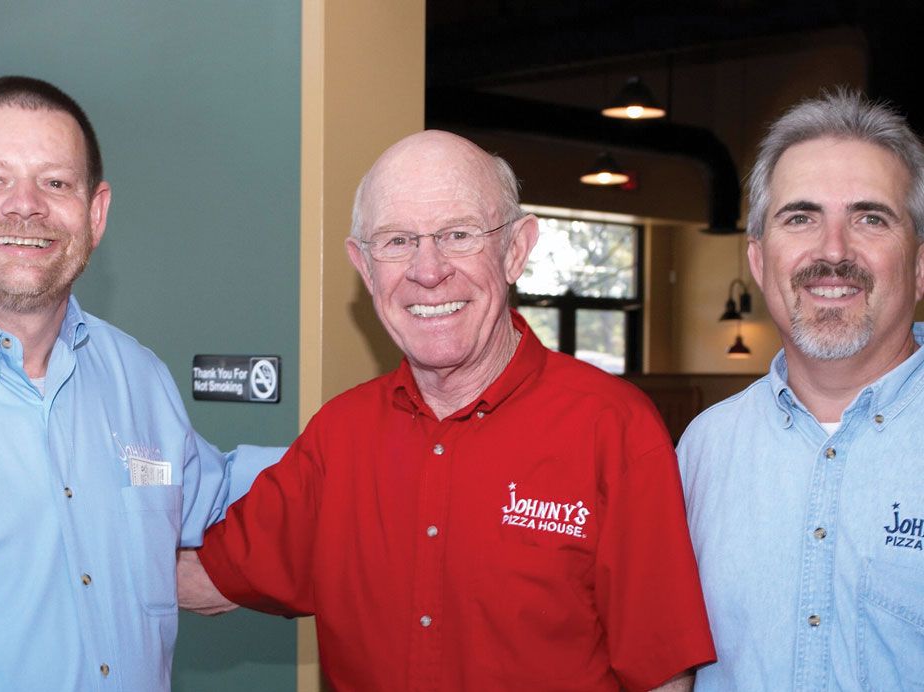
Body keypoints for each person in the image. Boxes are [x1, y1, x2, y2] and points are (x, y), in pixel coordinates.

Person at [178, 130, 715, 691]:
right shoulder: (339, 437)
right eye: (397, 241)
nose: (428, 271)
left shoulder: (613, 427)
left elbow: (663, 676)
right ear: (364, 266)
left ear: (515, 250)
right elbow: (201, 579)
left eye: (458, 235)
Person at [0, 76, 279, 691]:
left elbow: (215, 496)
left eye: (55, 183)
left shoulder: (137, 376)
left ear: (95, 213)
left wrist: (386, 451)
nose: (26, 205)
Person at [677, 89, 924, 691]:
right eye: (801, 217)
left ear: (920, 266)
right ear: (759, 262)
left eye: (870, 217)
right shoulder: (701, 452)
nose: (833, 251)